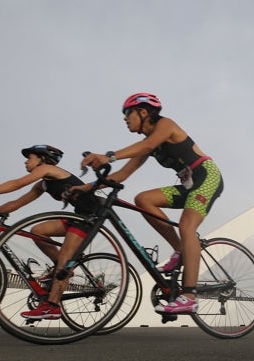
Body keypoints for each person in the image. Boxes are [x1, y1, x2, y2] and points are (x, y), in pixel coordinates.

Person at [78, 92, 224, 314]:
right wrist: (88, 187)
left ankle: (189, 296)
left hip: (207, 176)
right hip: (189, 186)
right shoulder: (146, 145)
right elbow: (122, 175)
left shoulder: (165, 125)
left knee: (187, 226)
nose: (125, 119)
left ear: (143, 112)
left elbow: (148, 145)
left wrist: (109, 155)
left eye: (128, 114)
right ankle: (179, 250)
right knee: (143, 199)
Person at [0, 145, 98, 320]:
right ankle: (60, 269)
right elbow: (16, 203)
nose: (26, 161)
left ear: (43, 159)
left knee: (65, 258)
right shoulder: (43, 184)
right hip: (78, 215)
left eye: (29, 158)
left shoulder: (49, 169)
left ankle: (52, 306)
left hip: (91, 216)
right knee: (38, 231)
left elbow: (17, 184)